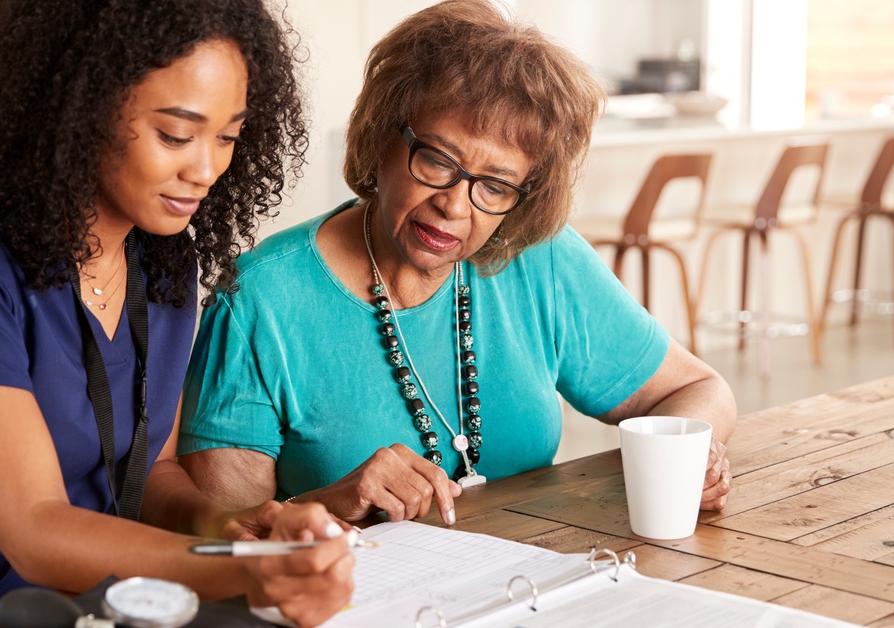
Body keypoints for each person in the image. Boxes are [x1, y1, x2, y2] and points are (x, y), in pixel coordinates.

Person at [0, 1, 352, 627]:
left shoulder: (165, 266)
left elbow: (153, 468)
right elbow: (34, 525)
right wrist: (240, 570)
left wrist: (235, 531)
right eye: (176, 135)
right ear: (77, 111)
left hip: (103, 605)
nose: (207, 169)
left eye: (228, 136)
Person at [178, 0, 736, 528]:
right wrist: (329, 504)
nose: (454, 204)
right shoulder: (261, 301)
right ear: (382, 137)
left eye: (494, 186)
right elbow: (226, 538)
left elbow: (698, 389)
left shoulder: (538, 260)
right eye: (438, 161)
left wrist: (688, 455)